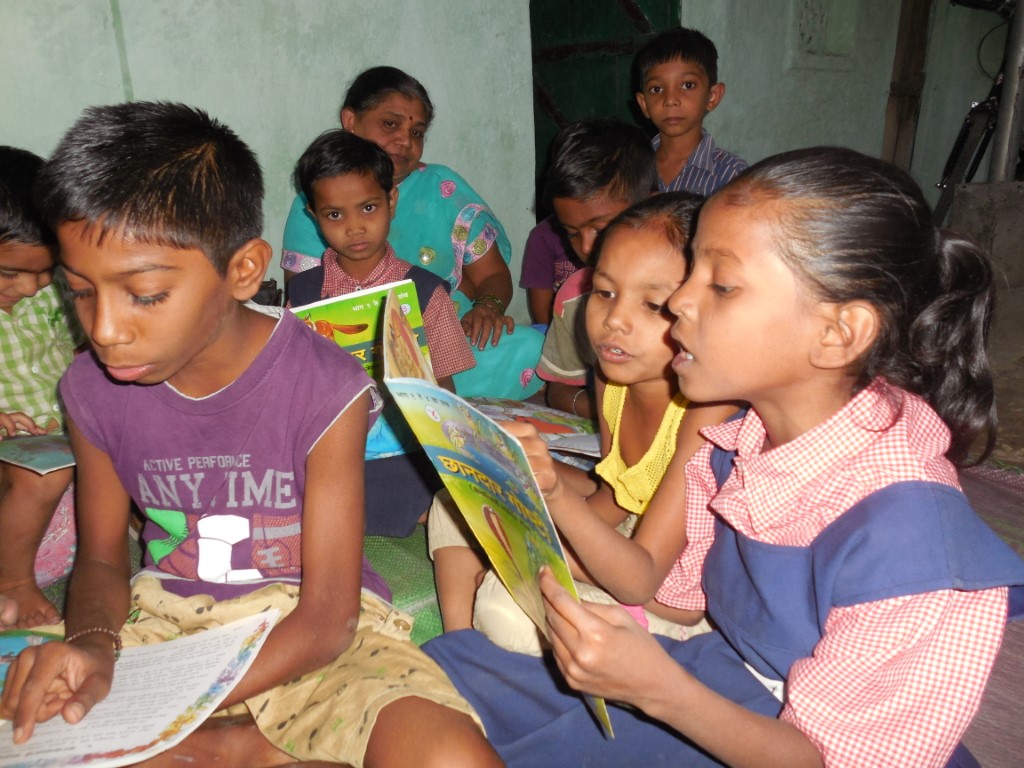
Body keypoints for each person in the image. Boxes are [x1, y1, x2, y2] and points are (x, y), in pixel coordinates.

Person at [422, 147, 1024, 767]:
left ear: (839, 333)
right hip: (720, 681)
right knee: (445, 686)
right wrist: (539, 529)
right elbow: (682, 597)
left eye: (721, 284)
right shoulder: (741, 443)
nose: (679, 303)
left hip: (775, 741)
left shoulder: (917, 547)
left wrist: (656, 687)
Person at [0, 102, 500, 768]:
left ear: (243, 270)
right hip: (170, 626)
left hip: (318, 636)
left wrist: (189, 709)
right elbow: (98, 560)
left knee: (448, 756)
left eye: (143, 293)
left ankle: (235, 745)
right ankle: (243, 747)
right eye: (80, 291)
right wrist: (91, 644)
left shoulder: (326, 384)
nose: (104, 328)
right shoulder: (91, 390)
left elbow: (327, 619)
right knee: (30, 733)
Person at [430, 193, 736, 651]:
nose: (614, 320)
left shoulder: (709, 412)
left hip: (676, 591)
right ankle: (459, 648)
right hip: (631, 536)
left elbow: (645, 580)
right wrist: (525, 510)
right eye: (606, 293)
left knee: (502, 606)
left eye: (653, 305)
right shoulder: (614, 376)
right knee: (464, 487)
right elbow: (616, 495)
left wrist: (544, 533)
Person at [282, 65, 543, 399]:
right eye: (390, 124)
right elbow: (307, 306)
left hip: (446, 338)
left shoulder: (442, 188)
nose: (404, 140)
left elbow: (491, 274)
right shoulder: (315, 202)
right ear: (350, 120)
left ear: (391, 202)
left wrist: (486, 309)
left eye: (417, 132)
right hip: (348, 352)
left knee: (532, 347)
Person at [288, 129, 475, 537]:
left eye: (368, 207)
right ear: (313, 214)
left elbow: (445, 391)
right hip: (332, 448)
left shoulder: (426, 292)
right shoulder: (302, 296)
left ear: (392, 200)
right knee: (291, 485)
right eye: (334, 215)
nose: (354, 228)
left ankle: (421, 509)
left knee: (429, 484)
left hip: (403, 445)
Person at [0, 146, 79, 629]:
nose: (31, 288)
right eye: (11, 274)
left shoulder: (56, 290)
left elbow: (81, 351)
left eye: (45, 272)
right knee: (43, 474)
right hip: (15, 460)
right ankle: (13, 582)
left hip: (62, 439)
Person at [535, 119, 658, 420]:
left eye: (601, 228)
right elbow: (558, 389)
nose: (587, 248)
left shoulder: (691, 294)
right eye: (572, 233)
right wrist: (611, 414)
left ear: (653, 208)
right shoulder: (575, 297)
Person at [634, 27, 747, 195]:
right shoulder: (629, 171)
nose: (670, 100)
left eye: (688, 85)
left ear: (712, 96)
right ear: (644, 104)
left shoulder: (732, 177)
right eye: (656, 89)